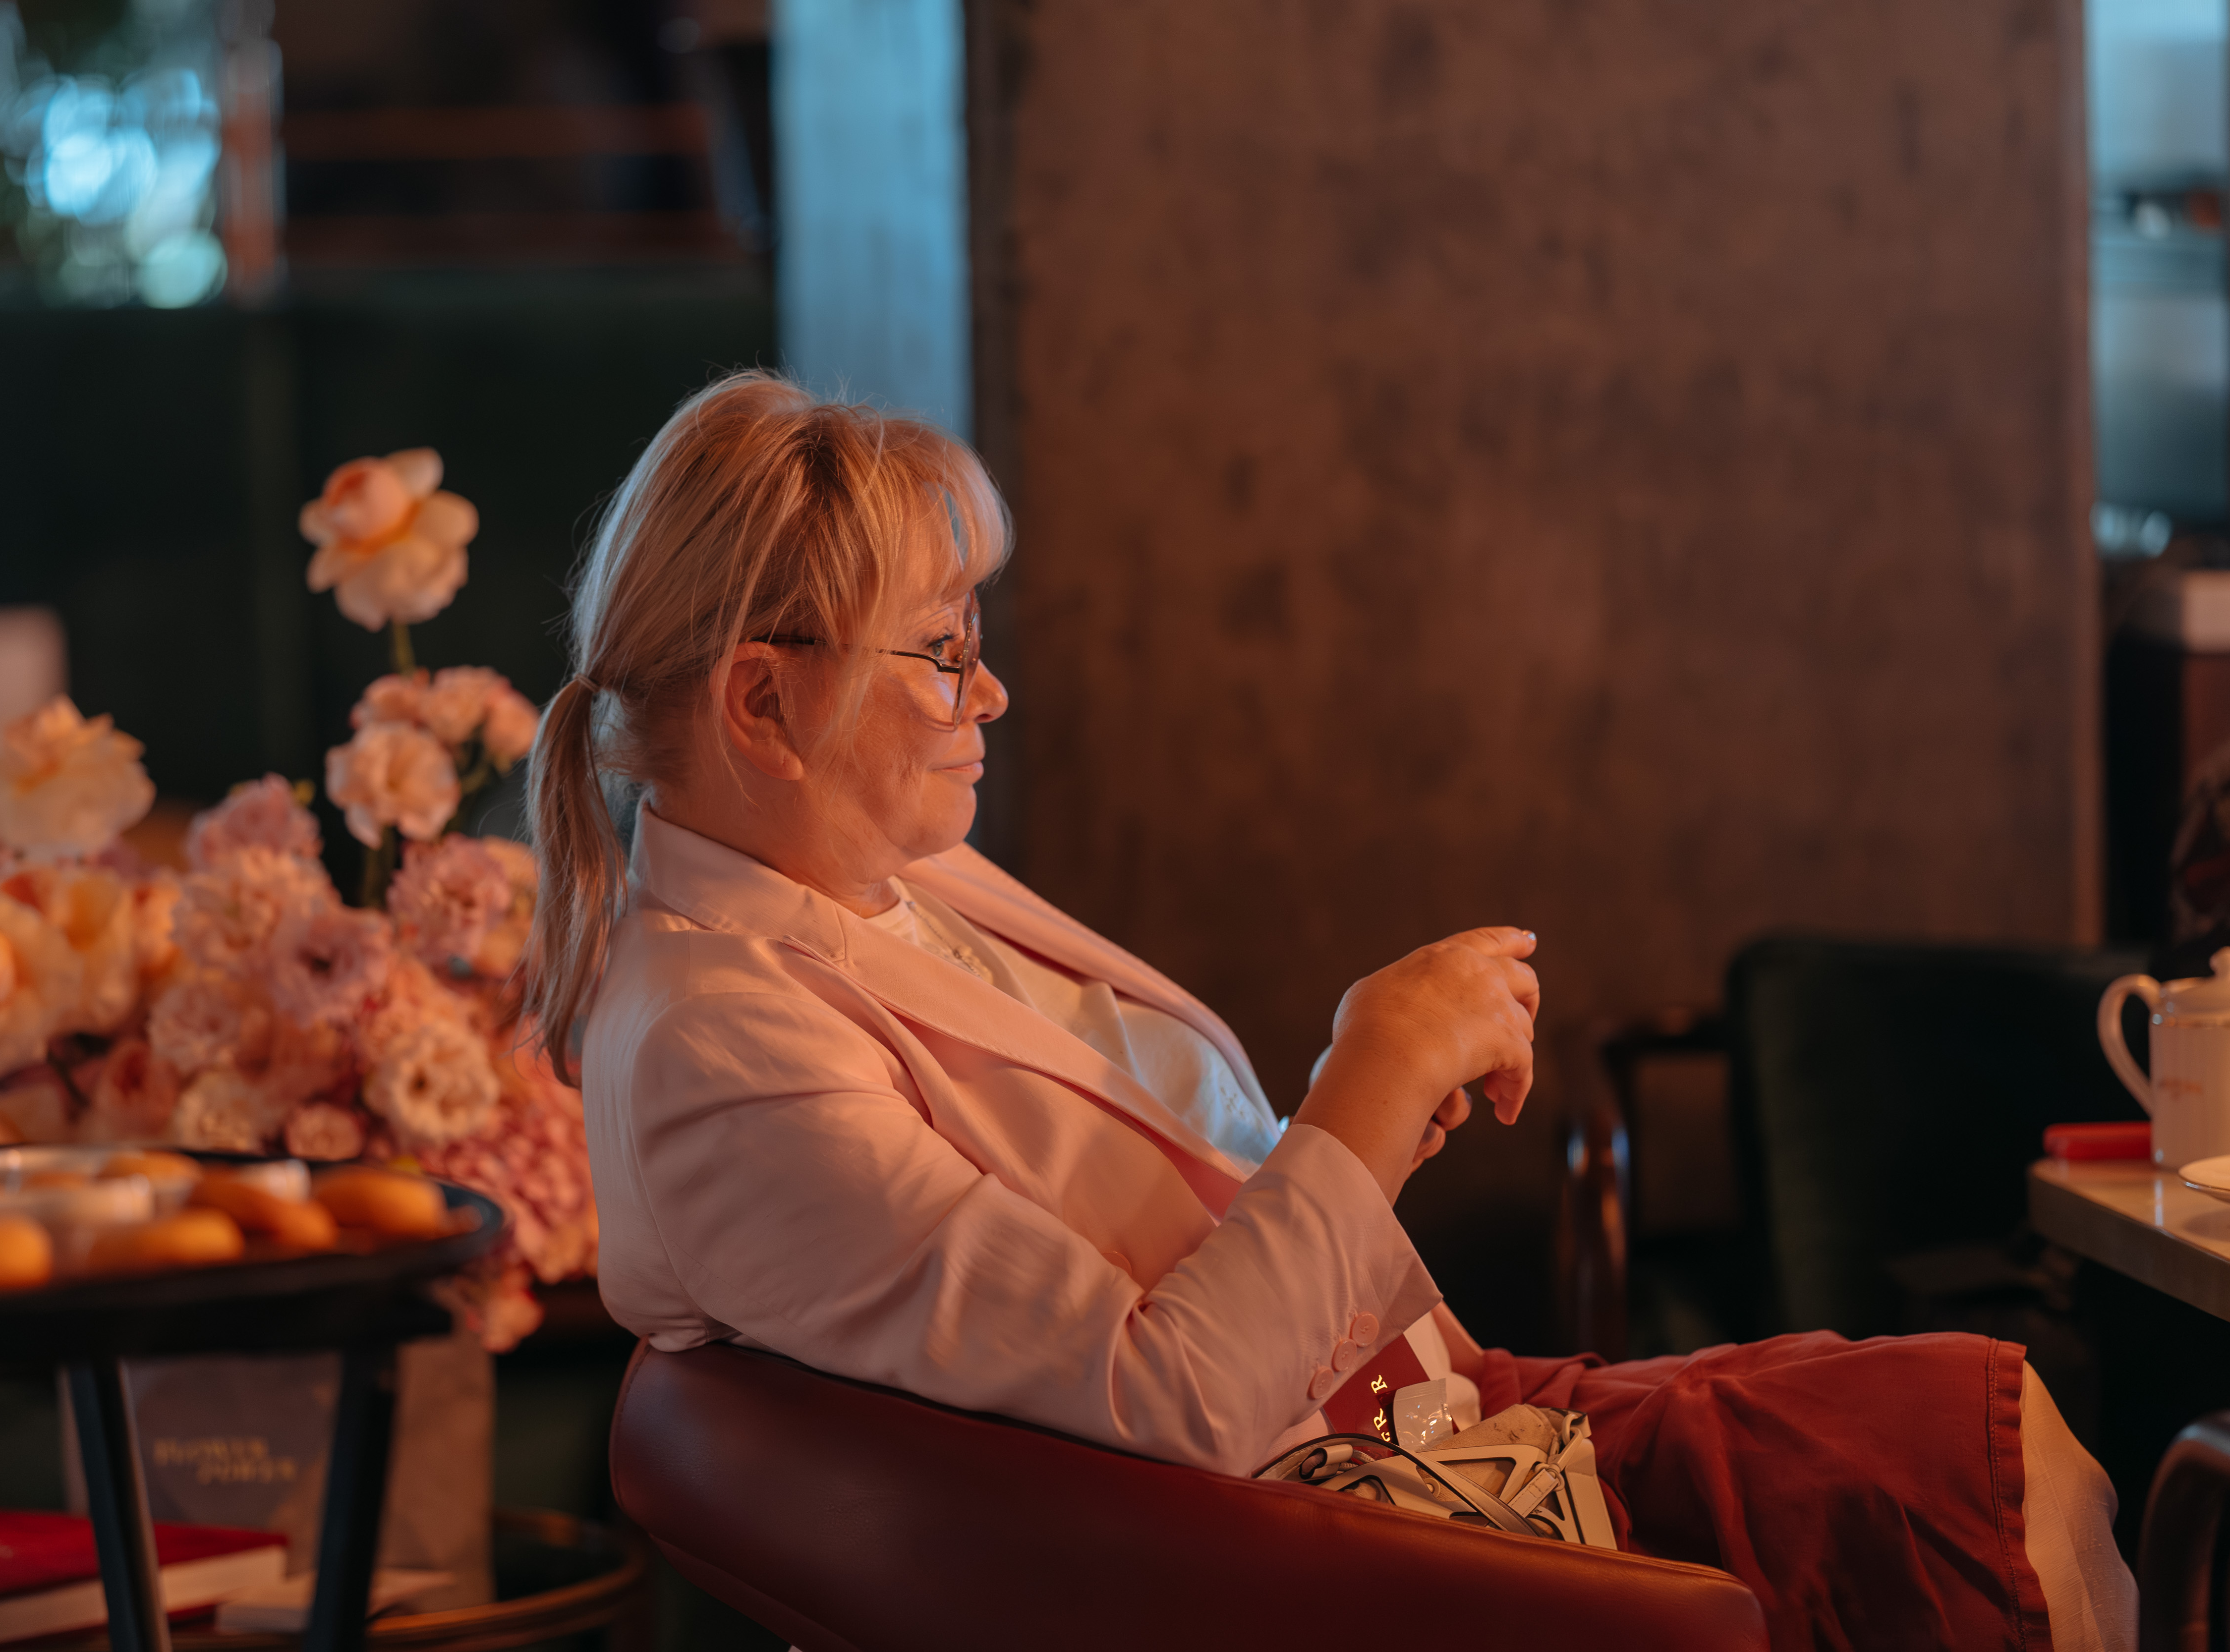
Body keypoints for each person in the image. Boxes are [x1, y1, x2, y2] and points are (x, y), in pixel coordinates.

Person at [524, 372, 2135, 1652]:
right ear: (764, 703)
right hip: (1353, 1531)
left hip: (1418, 1428)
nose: (989, 692)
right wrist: (1365, 1088)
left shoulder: (871, 876)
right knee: (1975, 1469)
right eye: (942, 652)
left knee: (1987, 1421)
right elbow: (1172, 1401)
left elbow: (1158, 1212)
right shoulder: (719, 1049)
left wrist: (1363, 1135)